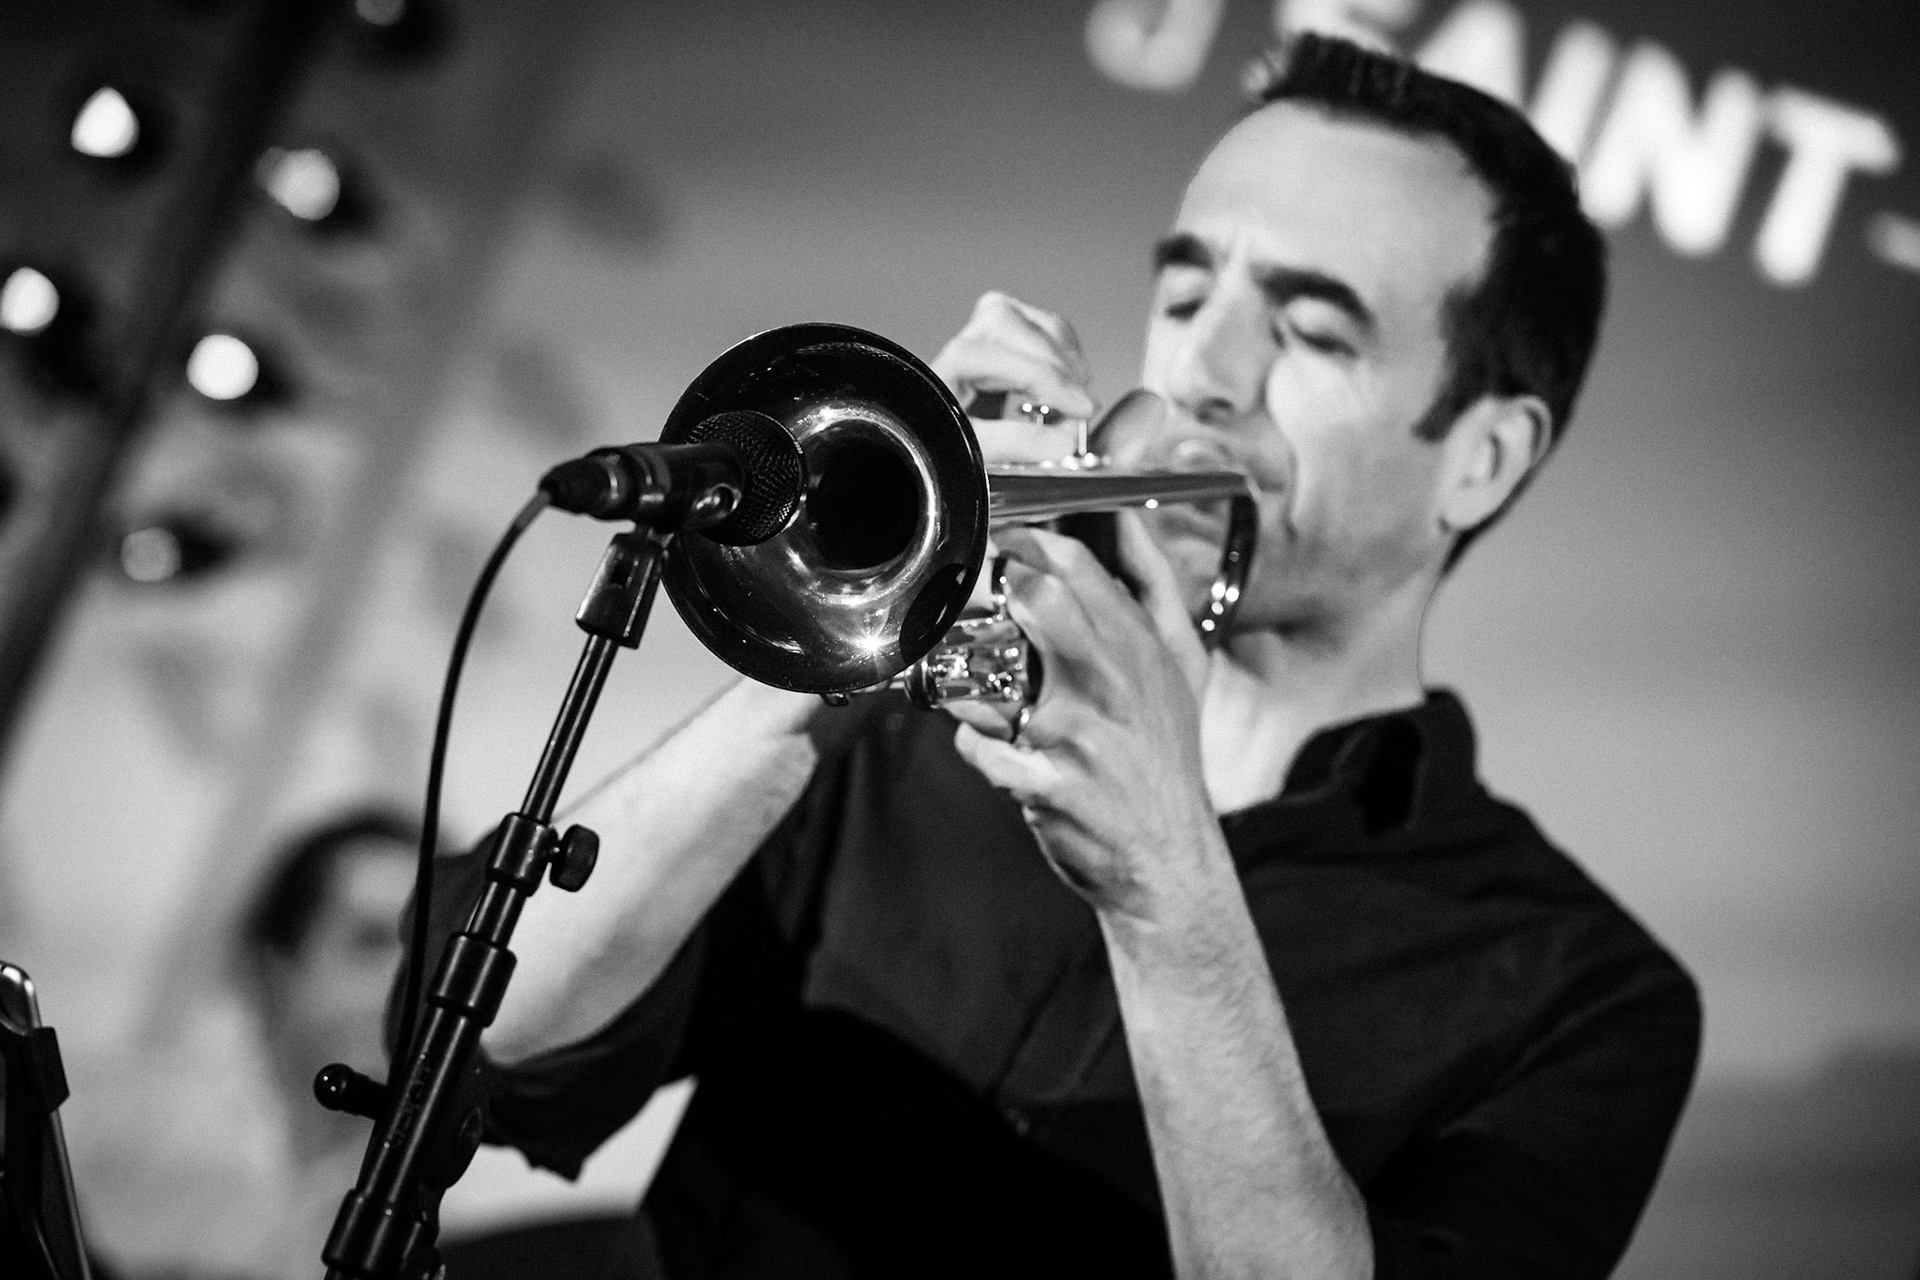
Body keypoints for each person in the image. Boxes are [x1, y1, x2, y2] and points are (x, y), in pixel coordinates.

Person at [405, 34, 1700, 1279]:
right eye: (1187, 297)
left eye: (1311, 332)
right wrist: (858, 623)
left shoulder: (1582, 994)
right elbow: (481, 1048)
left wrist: (1168, 891)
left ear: (1483, 459)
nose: (1205, 372)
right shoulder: (907, 733)